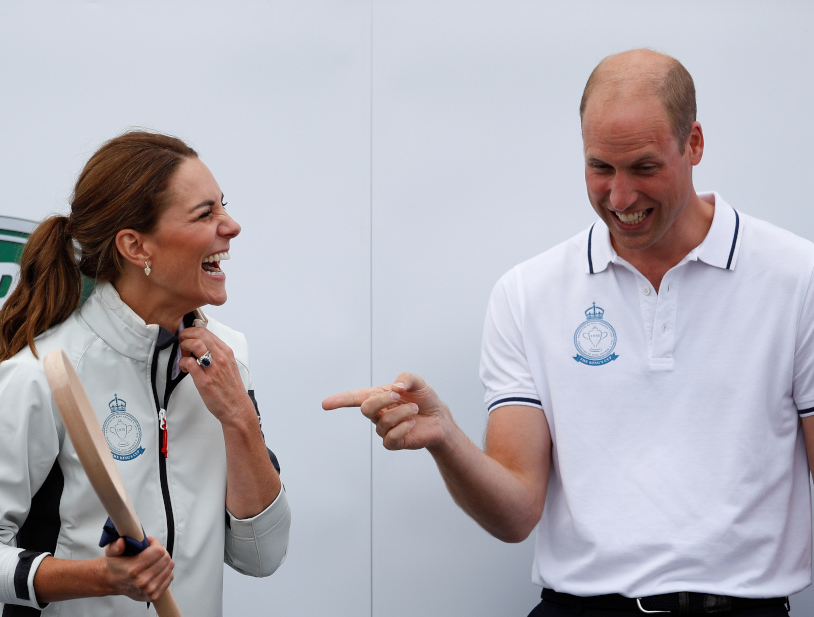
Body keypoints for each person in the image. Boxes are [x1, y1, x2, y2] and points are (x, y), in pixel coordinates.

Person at [323, 49, 814, 616]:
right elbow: (515, 514)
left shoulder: (796, 279)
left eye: (645, 168)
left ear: (694, 143)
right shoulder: (527, 293)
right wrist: (446, 439)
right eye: (600, 167)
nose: (621, 198)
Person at [0, 131, 290, 617]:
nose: (232, 226)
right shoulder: (41, 374)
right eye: (205, 214)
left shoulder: (227, 360)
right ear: (135, 246)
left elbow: (261, 555)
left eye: (222, 206)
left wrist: (239, 419)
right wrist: (100, 578)